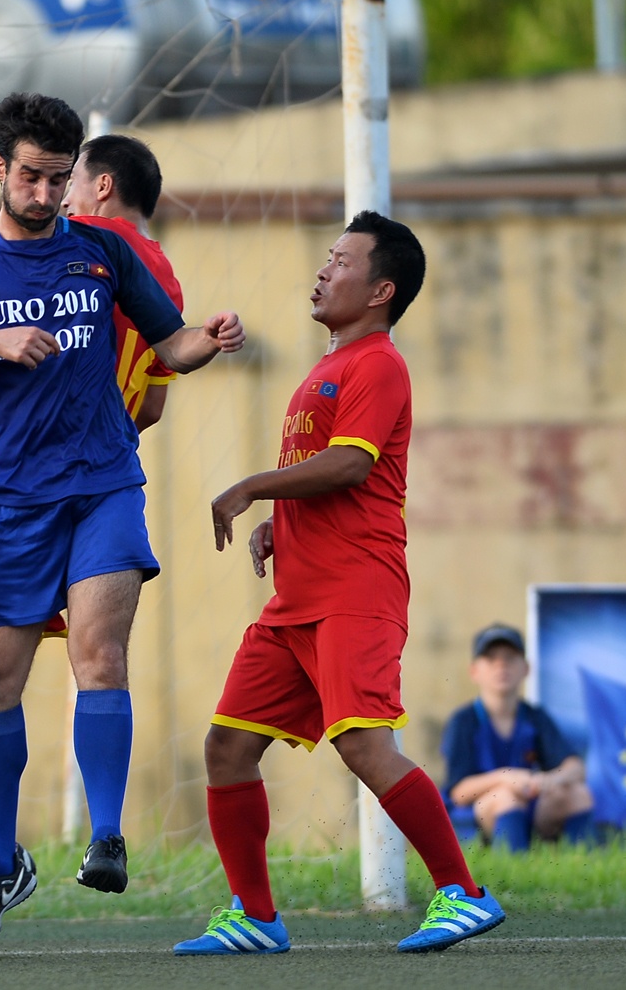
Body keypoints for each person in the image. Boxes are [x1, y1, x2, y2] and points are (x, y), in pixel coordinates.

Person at [0, 93, 246, 957]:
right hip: (9, 503)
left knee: (101, 653)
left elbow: (169, 352)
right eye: (32, 176)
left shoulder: (101, 253)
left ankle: (105, 836)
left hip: (101, 486)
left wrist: (211, 337)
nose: (48, 193)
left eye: (60, 178)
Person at [186, 211, 505, 957]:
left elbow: (353, 465)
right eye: (327, 257)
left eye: (341, 259)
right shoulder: (325, 368)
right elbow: (328, 476)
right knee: (227, 749)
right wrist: (280, 524)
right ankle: (256, 917)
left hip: (355, 592)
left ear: (380, 289)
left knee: (363, 744)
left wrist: (252, 489)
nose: (325, 268)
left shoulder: (378, 364)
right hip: (296, 601)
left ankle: (462, 893)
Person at [443, 623, 593, 849]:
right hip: (483, 813)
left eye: (510, 657)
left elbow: (575, 766)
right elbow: (459, 792)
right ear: (474, 670)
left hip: (531, 804)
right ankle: (513, 871)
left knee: (579, 795)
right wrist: (506, 777)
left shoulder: (534, 717)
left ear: (526, 668)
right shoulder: (463, 721)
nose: (501, 665)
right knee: (505, 797)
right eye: (491, 658)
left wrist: (549, 780)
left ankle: (584, 868)